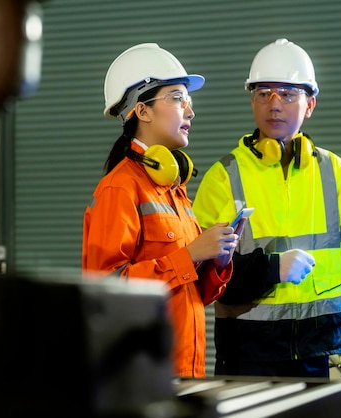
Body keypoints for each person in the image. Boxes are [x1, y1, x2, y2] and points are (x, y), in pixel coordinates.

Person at [192, 38, 341, 379]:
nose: (274, 104)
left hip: (321, 355)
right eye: (263, 92)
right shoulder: (223, 177)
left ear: (310, 104)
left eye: (287, 93)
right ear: (252, 101)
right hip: (248, 358)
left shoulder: (333, 171)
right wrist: (271, 270)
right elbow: (202, 276)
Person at [82, 43, 240, 378]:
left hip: (185, 371)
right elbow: (106, 289)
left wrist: (218, 262)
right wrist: (190, 255)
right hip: (141, 377)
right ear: (142, 111)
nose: (190, 111)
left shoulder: (174, 190)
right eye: (178, 98)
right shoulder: (120, 187)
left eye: (189, 101)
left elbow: (194, 293)